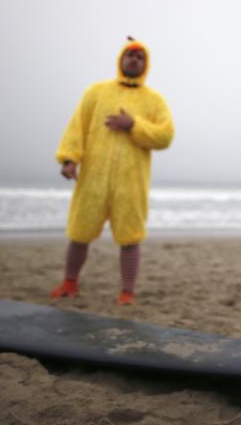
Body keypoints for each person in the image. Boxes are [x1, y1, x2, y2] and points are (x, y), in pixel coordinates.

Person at [50, 36, 174, 305]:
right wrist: (69, 159)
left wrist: (133, 125)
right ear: (121, 59)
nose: (134, 60)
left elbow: (165, 137)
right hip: (93, 178)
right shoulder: (96, 92)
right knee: (79, 233)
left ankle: (126, 292)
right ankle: (69, 282)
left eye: (140, 56)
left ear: (146, 64)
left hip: (131, 183)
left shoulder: (154, 101)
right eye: (130, 55)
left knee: (130, 238)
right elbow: (77, 127)